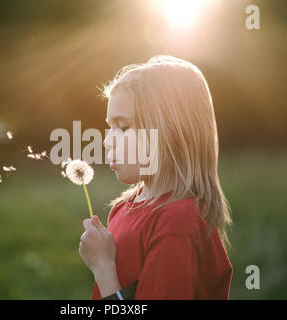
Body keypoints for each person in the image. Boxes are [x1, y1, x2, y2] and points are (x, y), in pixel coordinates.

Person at [78, 55, 233, 300]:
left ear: (168, 132)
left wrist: (103, 268)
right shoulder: (122, 209)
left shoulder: (176, 223)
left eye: (123, 126)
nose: (108, 141)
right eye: (110, 126)